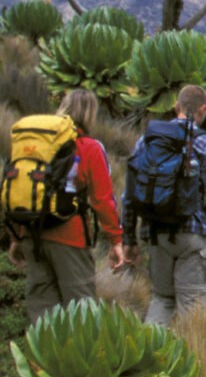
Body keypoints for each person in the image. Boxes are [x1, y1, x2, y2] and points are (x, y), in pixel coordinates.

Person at [6, 89, 124, 323]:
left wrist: (18, 237)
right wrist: (115, 241)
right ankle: (82, 360)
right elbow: (102, 200)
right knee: (82, 312)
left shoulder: (39, 146)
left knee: (41, 312)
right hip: (71, 238)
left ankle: (41, 359)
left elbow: (25, 192)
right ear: (90, 115)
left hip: (33, 235)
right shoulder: (90, 147)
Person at [121, 84, 206, 326]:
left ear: (176, 107)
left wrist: (128, 238)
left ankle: (149, 358)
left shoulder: (146, 141)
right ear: (203, 109)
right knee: (192, 306)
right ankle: (194, 358)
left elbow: (129, 195)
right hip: (192, 235)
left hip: (156, 234)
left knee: (161, 299)